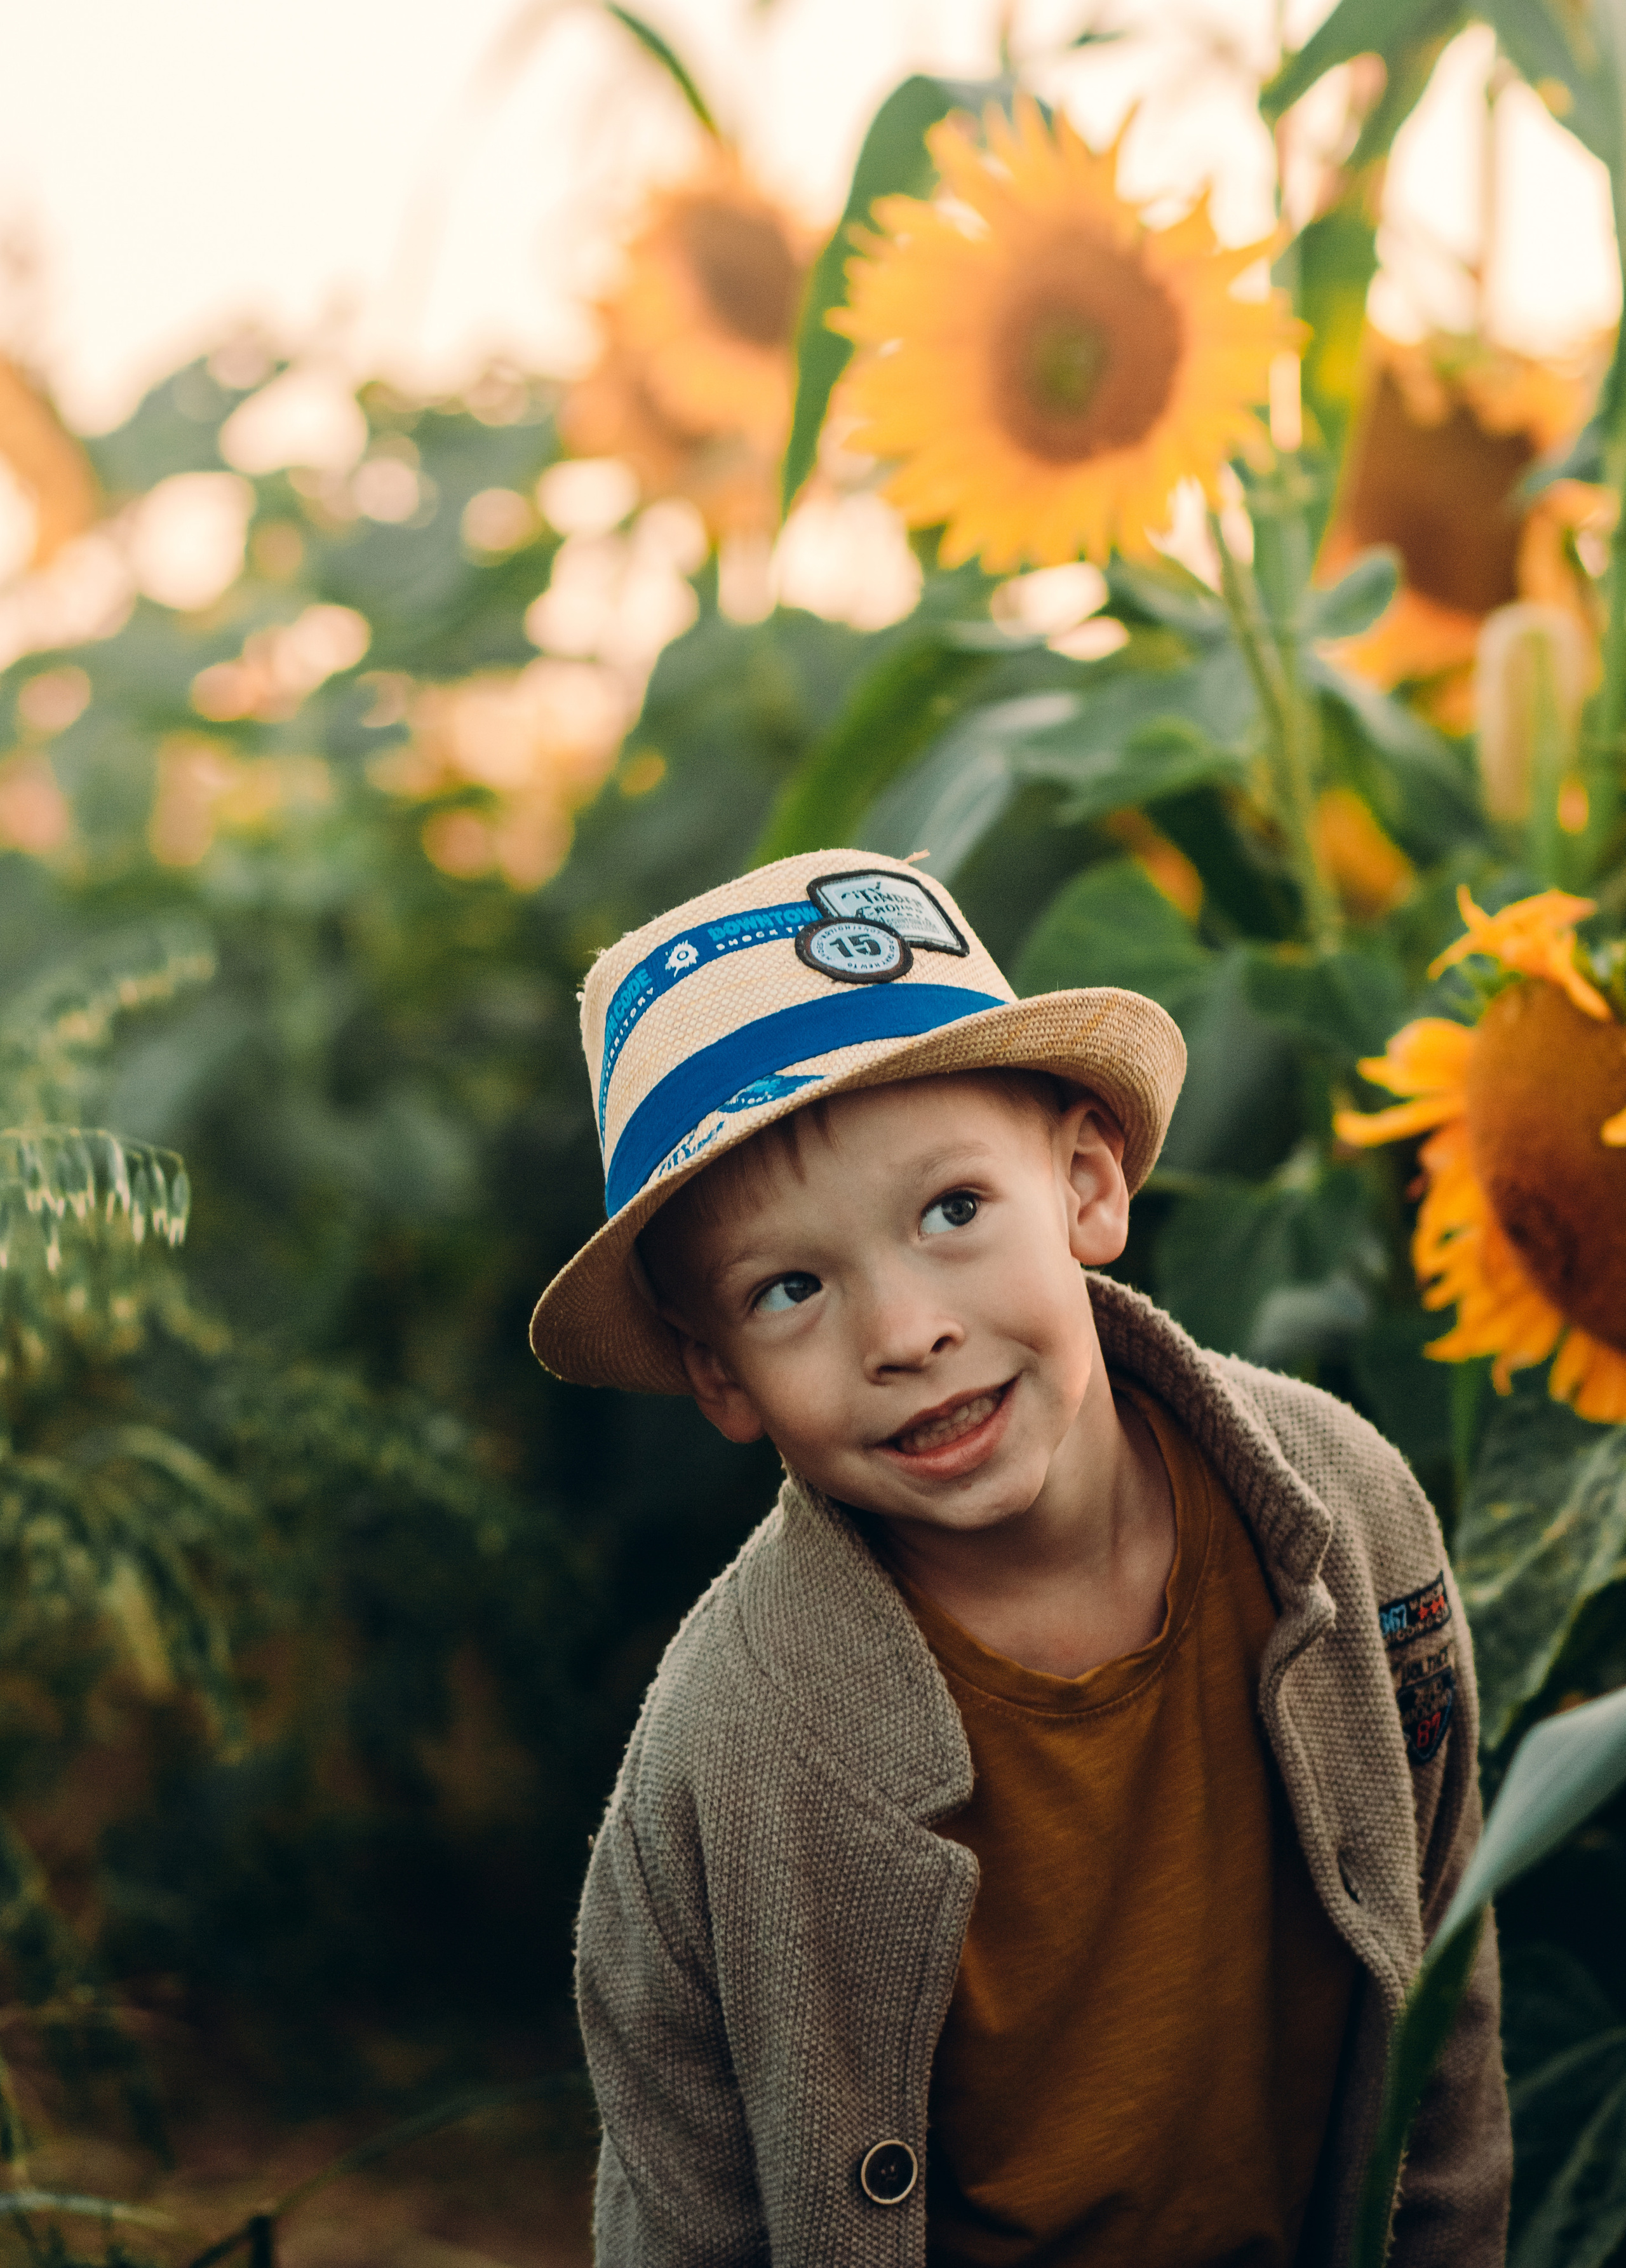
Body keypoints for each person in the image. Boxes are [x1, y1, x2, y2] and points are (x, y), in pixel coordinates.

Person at [530, 848, 1511, 2268]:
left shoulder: (1346, 1517)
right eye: (788, 1290)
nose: (904, 1331)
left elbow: (1441, 2007)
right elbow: (685, 2210)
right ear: (719, 1377)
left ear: (1086, 1187)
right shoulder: (725, 1759)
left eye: (950, 1213)